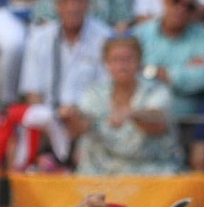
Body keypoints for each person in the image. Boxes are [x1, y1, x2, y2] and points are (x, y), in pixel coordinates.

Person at [19, 0, 115, 162]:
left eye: (78, 0)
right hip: (48, 121)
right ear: (56, 6)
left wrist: (77, 116)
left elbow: (106, 91)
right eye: (65, 1)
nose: (72, 7)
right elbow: (32, 92)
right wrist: (53, 120)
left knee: (88, 144)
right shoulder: (39, 39)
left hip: (88, 120)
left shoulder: (105, 38)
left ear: (87, 4)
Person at [70, 34, 183, 173]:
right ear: (106, 63)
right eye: (115, 60)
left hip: (151, 169)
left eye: (128, 59)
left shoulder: (157, 89)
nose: (121, 66)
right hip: (102, 171)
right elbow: (81, 126)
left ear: (139, 61)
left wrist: (132, 113)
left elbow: (158, 124)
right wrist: (72, 116)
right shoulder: (94, 93)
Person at [135, 0, 204, 116]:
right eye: (176, 1)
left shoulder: (203, 37)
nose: (181, 9)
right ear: (164, 1)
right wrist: (181, 73)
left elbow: (202, 78)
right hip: (145, 118)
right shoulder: (140, 34)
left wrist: (151, 71)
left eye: (189, 6)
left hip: (186, 121)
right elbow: (131, 74)